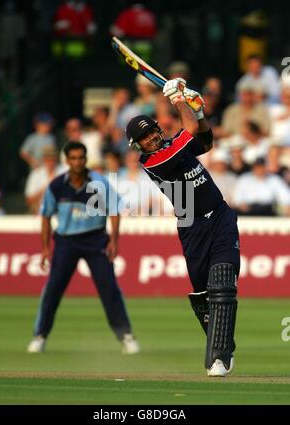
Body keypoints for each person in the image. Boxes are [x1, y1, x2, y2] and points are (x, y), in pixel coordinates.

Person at [126, 78, 240, 377]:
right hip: (191, 227)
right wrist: (179, 100)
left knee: (223, 283)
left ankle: (218, 358)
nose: (150, 139)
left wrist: (198, 112)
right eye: (145, 138)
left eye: (152, 132)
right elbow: (188, 132)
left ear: (157, 130)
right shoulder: (154, 161)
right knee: (204, 295)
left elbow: (204, 140)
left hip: (220, 217)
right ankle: (223, 344)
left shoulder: (175, 145)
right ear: (139, 146)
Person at [27, 141, 139, 355]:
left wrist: (114, 241)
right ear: (67, 160)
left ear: (85, 159)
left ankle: (126, 336)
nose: (78, 162)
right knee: (53, 290)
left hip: (95, 240)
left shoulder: (100, 183)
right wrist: (44, 248)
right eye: (73, 158)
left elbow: (114, 211)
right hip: (66, 242)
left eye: (81, 158)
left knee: (109, 289)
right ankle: (40, 336)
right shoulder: (57, 185)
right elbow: (46, 215)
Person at [24, 146, 65, 214]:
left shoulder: (64, 171)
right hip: (41, 211)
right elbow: (29, 200)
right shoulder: (36, 174)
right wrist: (46, 187)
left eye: (52, 158)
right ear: (44, 159)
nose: (50, 161)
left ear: (56, 158)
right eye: (48, 158)